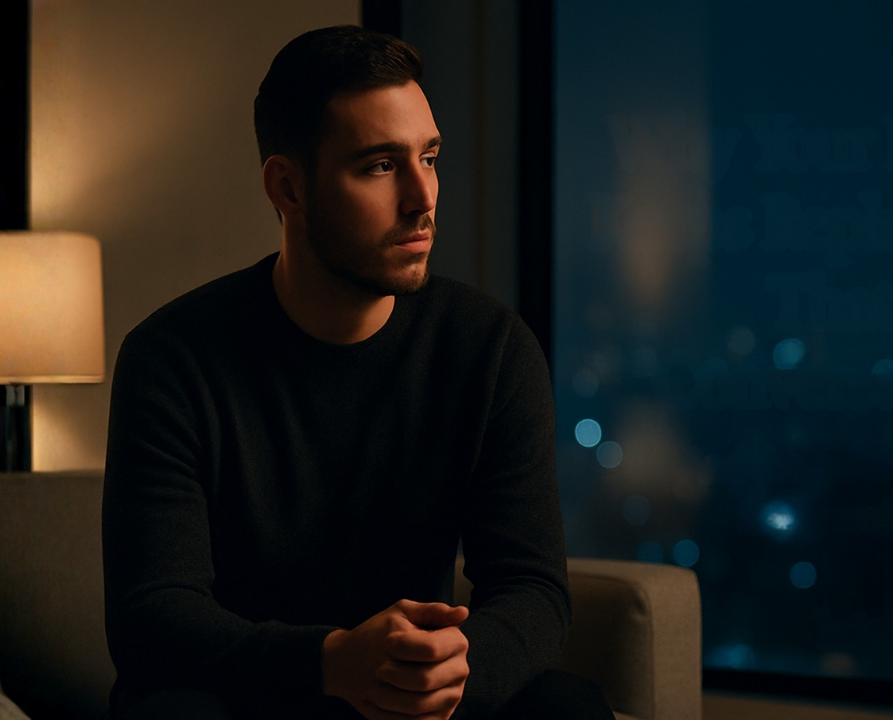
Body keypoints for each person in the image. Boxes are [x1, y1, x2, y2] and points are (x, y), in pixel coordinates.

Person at [101, 25, 614, 720]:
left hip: (413, 703)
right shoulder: (172, 358)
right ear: (288, 187)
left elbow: (531, 587)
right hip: (244, 695)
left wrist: (451, 672)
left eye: (429, 158)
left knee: (566, 709)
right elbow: (152, 612)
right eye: (379, 166)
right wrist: (328, 662)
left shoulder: (490, 349)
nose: (422, 198)